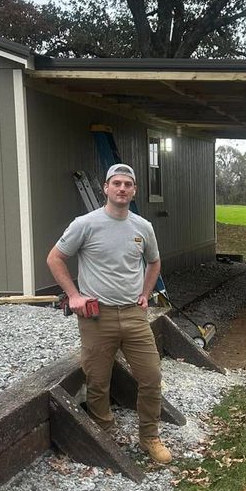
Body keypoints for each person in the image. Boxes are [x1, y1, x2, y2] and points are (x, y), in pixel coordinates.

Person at [46, 164, 172, 465]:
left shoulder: (143, 227)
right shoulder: (85, 224)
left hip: (133, 314)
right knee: (98, 381)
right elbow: (55, 258)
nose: (122, 189)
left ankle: (149, 437)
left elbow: (154, 263)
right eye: (116, 183)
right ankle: (103, 432)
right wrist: (74, 295)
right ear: (106, 188)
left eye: (128, 184)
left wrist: (145, 293)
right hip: (96, 317)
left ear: (134, 191)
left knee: (151, 377)